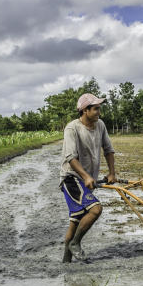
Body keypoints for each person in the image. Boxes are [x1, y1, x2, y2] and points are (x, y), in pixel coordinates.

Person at [59, 93, 116, 262]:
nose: (99, 112)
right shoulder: (72, 128)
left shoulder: (100, 125)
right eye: (96, 109)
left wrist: (112, 173)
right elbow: (71, 157)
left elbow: (108, 149)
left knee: (76, 220)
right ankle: (75, 243)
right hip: (71, 178)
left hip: (86, 179)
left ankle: (66, 262)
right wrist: (85, 176)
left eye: (99, 108)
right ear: (85, 110)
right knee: (95, 209)